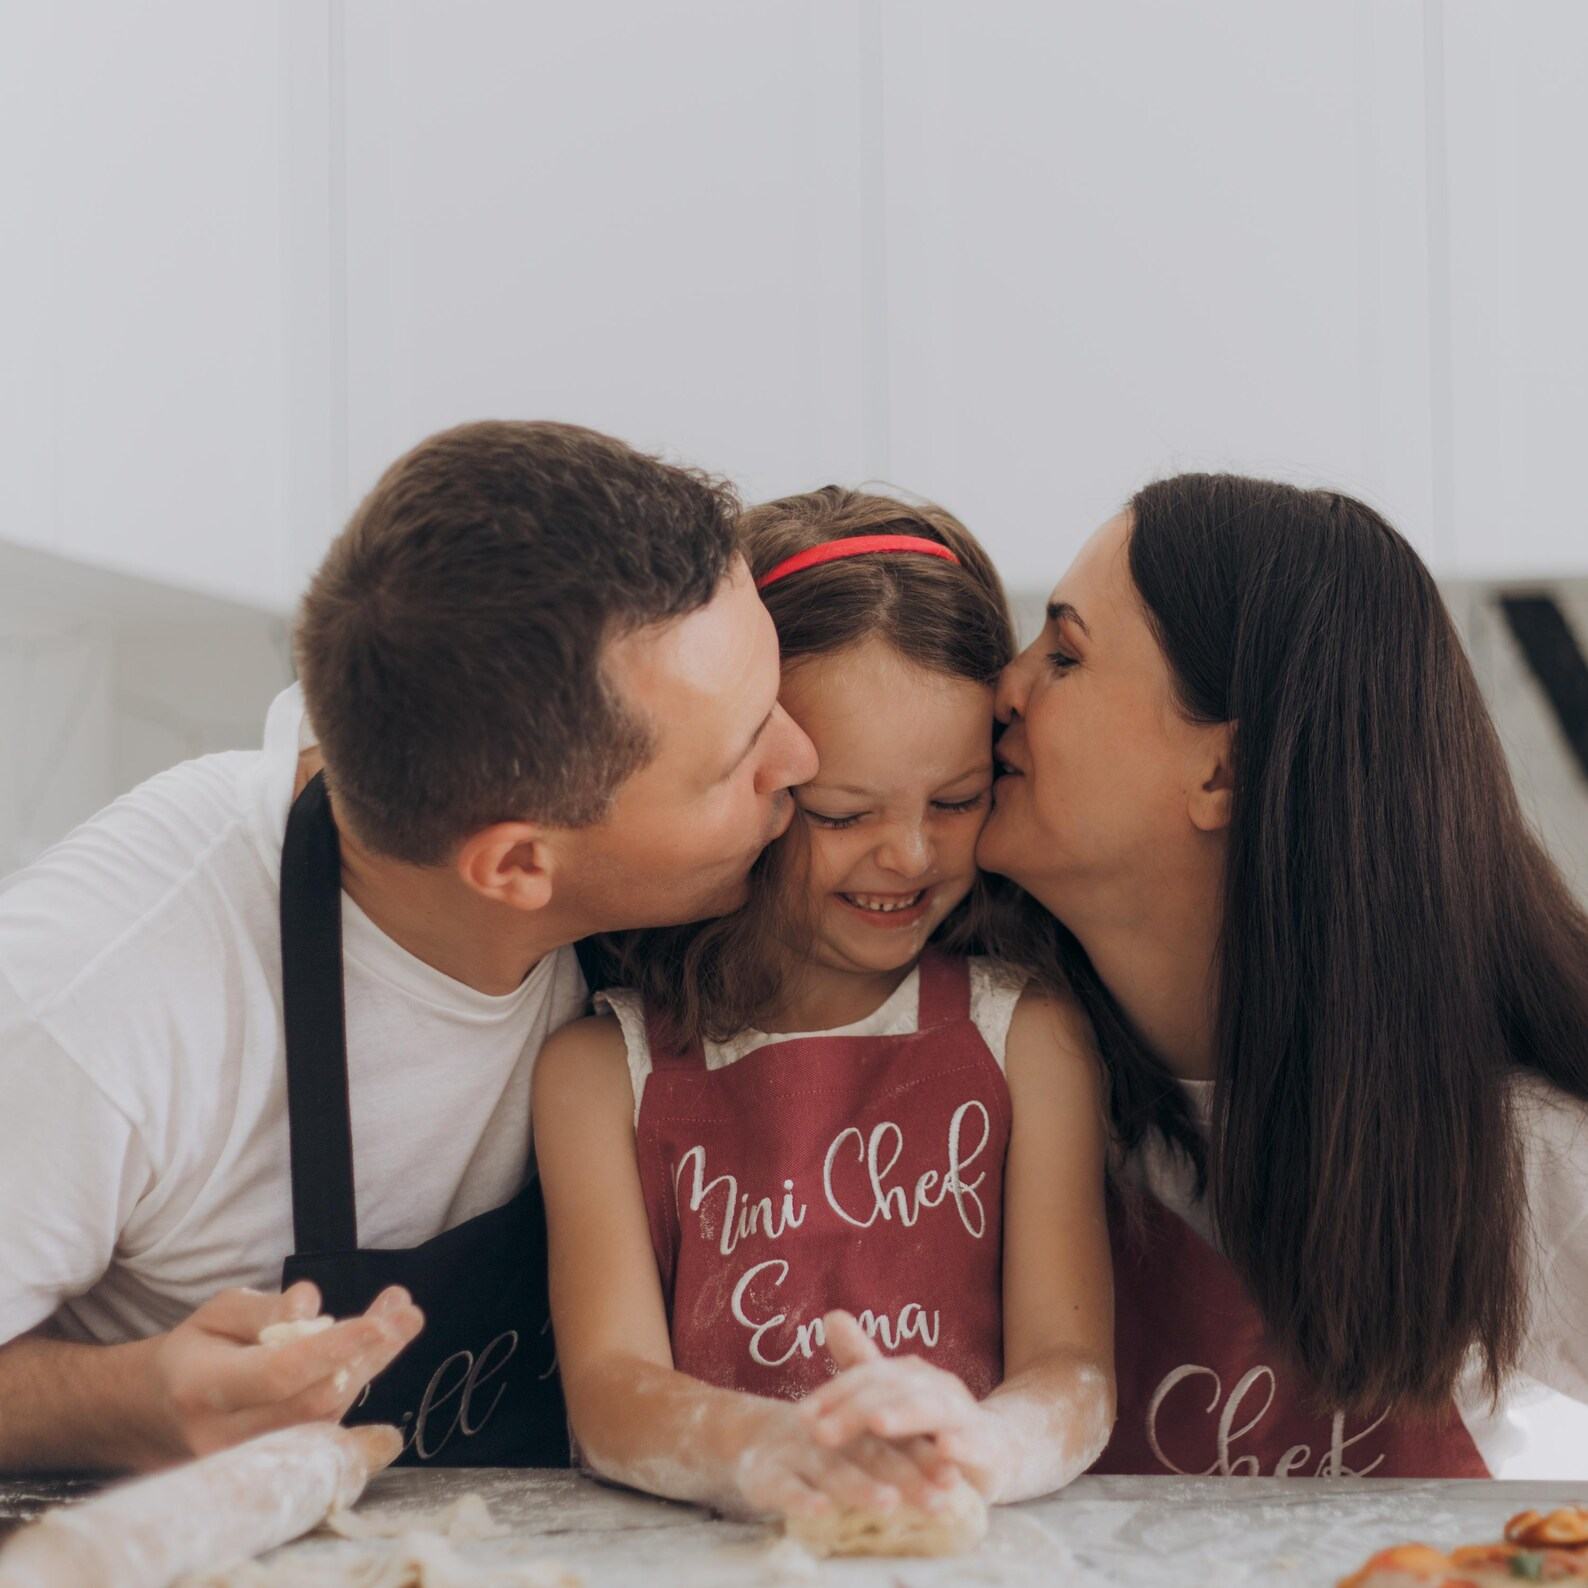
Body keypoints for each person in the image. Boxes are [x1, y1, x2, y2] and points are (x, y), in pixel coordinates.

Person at [0, 420, 817, 1472]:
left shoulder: (650, 890)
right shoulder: (99, 987)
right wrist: (126, 1399)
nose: (801, 757)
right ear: (518, 865)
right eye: (740, 753)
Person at [978, 472, 1588, 1478]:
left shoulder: (1517, 1156)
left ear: (1223, 774)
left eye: (1065, 652)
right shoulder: (985, 1076)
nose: (1005, 683)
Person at [533, 487, 1115, 1522]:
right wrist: (765, 1447)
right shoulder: (599, 1071)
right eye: (845, 812)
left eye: (956, 799)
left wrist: (982, 1442)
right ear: (756, 779)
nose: (910, 854)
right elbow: (610, 1393)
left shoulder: (1025, 1038)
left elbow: (1072, 1370)